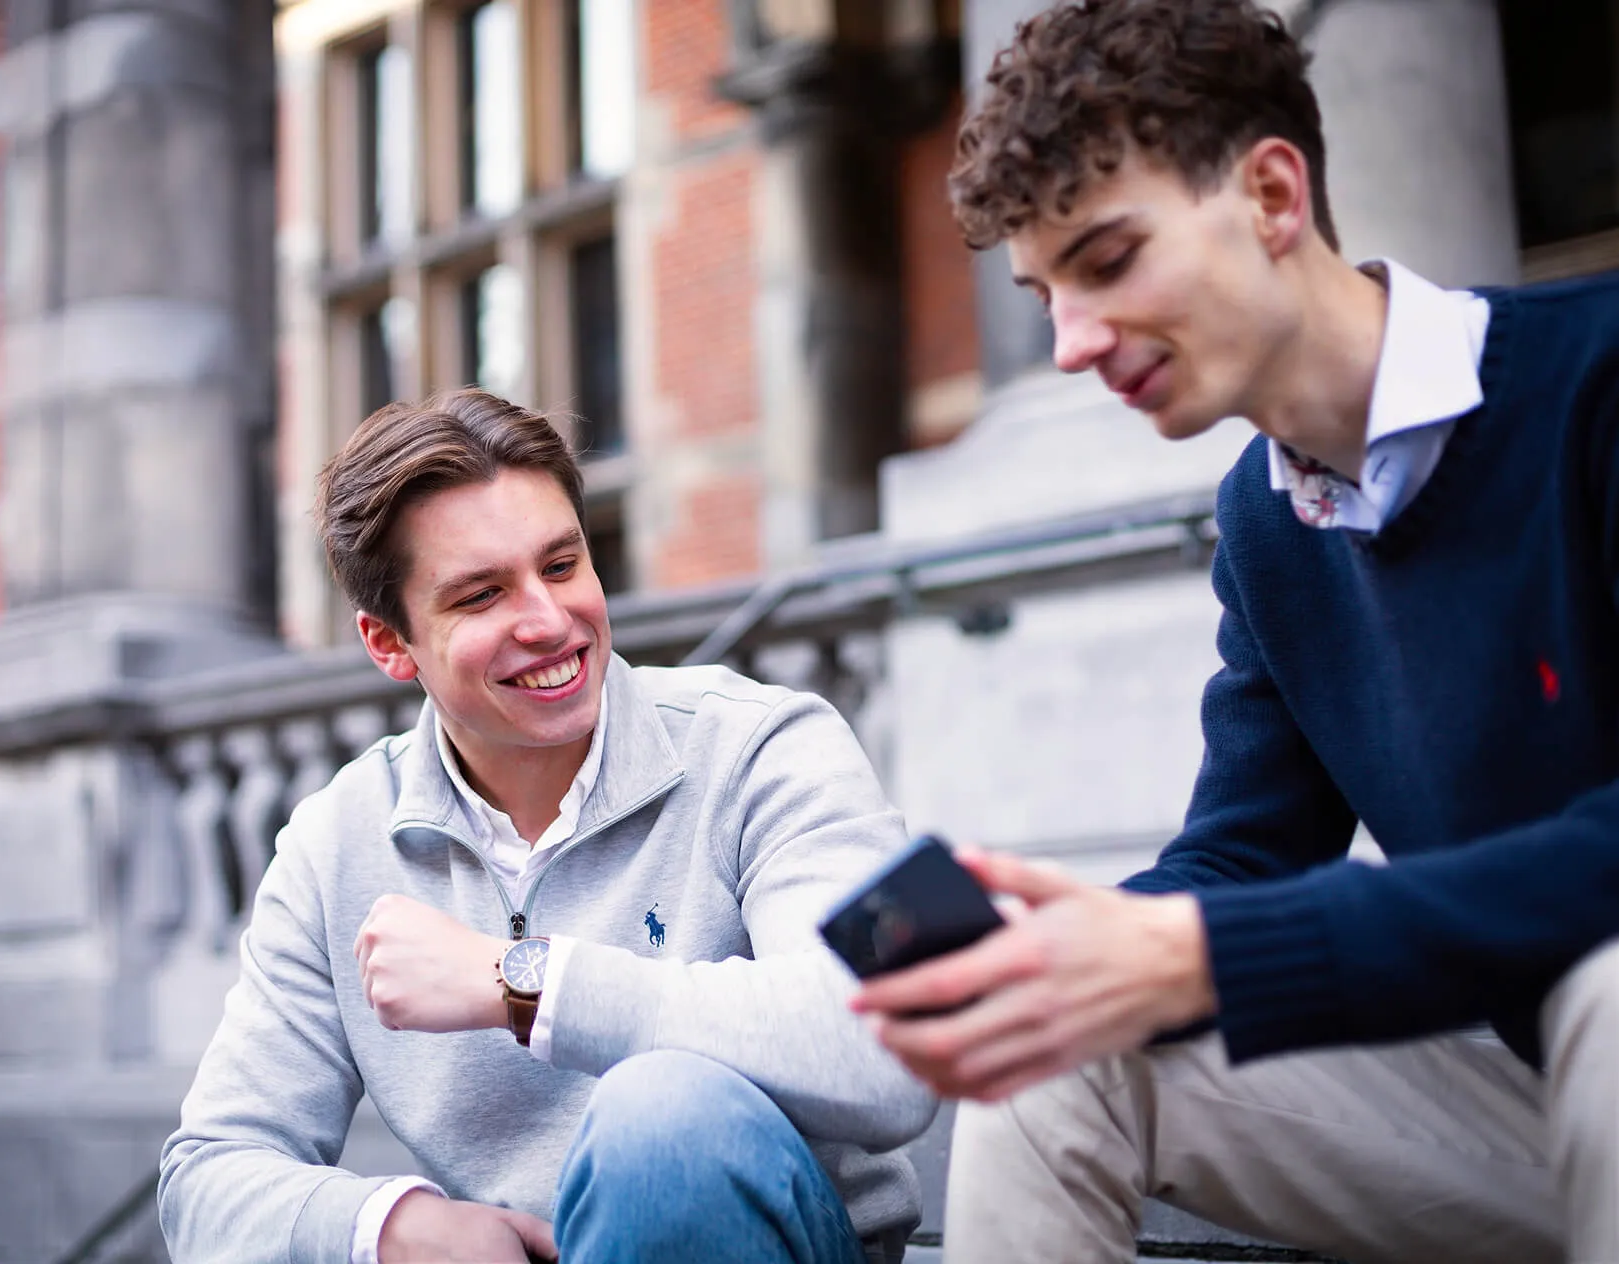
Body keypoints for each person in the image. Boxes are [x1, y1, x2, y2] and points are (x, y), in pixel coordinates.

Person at [849, 2, 1619, 1261]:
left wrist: (1199, 950)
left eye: (1107, 261)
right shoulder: (1268, 522)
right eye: (1043, 295)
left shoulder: (1596, 383)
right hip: (1547, 1125)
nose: (1069, 345)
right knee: (1061, 1047)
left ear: (1270, 195)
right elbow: (1244, 854)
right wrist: (1062, 949)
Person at [158, 388, 935, 1264]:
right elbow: (207, 1180)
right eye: (481, 595)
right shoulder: (333, 843)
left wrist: (522, 983)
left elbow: (891, 1050)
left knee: (664, 1117)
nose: (548, 620)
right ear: (389, 643)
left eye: (562, 566)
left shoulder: (768, 744)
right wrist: (394, 1228)